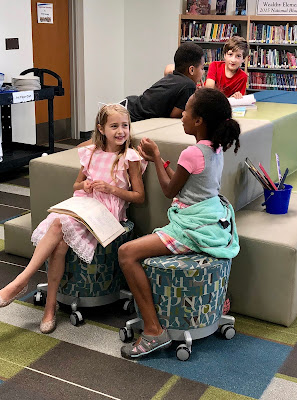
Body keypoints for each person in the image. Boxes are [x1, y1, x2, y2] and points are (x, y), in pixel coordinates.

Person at [0, 103, 146, 334]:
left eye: (125, 126)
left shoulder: (130, 157)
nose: (121, 131)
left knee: (59, 223)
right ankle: (50, 307)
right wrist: (85, 184)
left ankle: (21, 281)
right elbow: (76, 185)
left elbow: (139, 196)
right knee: (59, 242)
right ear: (101, 129)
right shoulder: (90, 153)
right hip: (83, 205)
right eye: (114, 126)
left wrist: (111, 189)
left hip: (107, 213)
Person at [118, 87, 241, 360]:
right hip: (212, 218)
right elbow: (189, 188)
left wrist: (156, 156)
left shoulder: (191, 153)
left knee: (126, 253)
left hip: (191, 225)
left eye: (186, 110)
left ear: (198, 121)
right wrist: (160, 162)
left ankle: (152, 330)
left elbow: (168, 190)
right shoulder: (215, 148)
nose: (182, 115)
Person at [127, 42, 204, 122]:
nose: (203, 72)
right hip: (131, 116)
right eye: (202, 68)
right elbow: (175, 117)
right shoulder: (189, 85)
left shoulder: (172, 77)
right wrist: (196, 98)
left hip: (130, 105)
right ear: (191, 70)